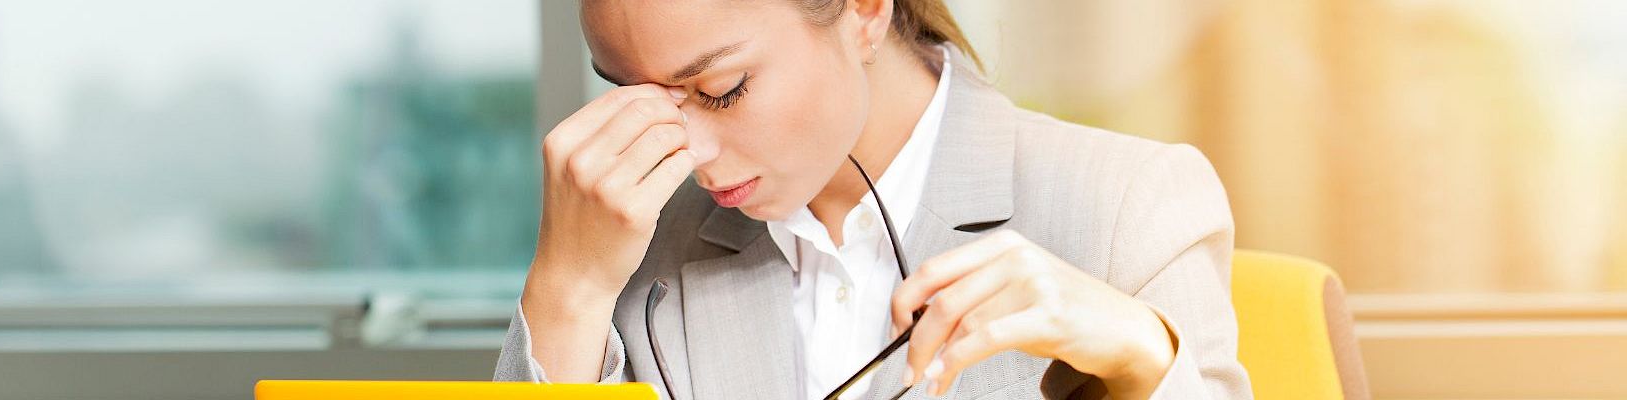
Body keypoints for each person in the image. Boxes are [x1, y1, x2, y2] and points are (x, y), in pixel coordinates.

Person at [497, 0, 1252, 398]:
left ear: (864, 9)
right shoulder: (622, 243)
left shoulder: (1130, 204)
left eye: (720, 91)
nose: (685, 152)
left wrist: (1143, 358)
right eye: (638, 101)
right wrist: (568, 287)